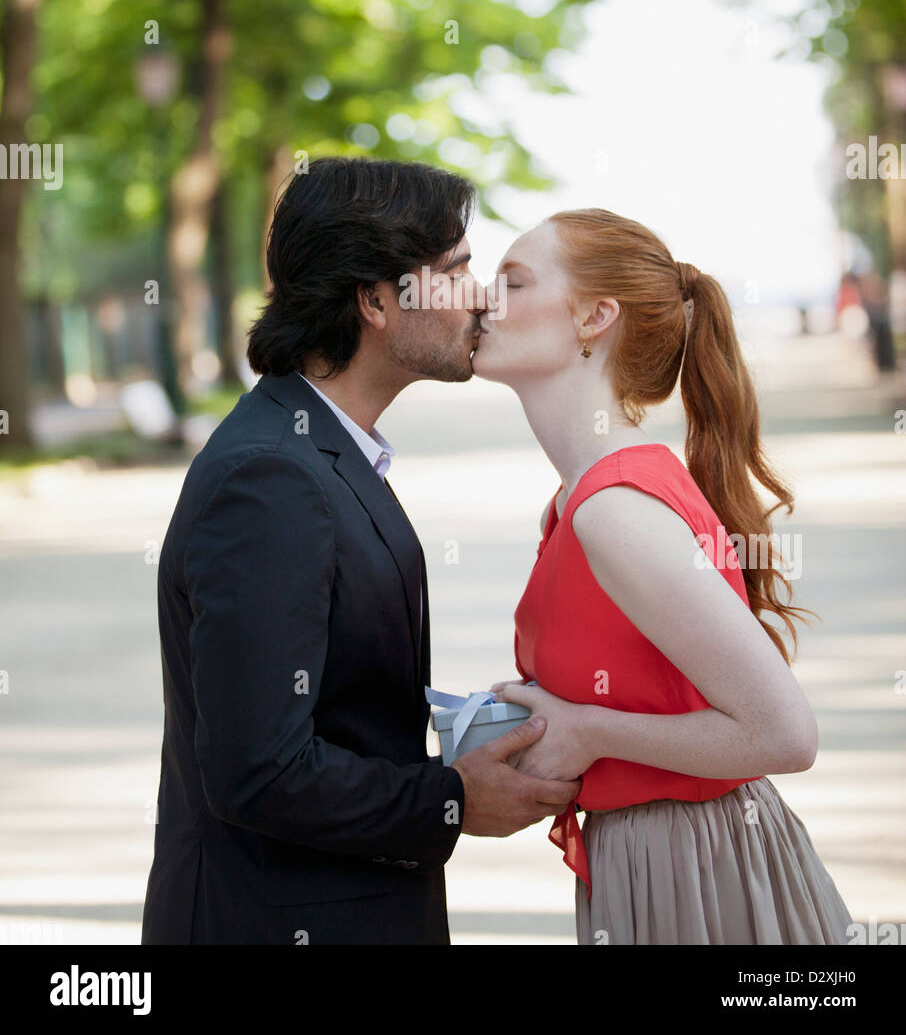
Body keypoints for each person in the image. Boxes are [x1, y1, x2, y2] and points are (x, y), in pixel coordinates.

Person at [140, 157, 579, 946]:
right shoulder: (270, 477)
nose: (481, 295)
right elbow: (258, 769)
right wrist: (450, 799)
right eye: (455, 270)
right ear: (375, 300)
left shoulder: (321, 449)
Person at [473, 208, 853, 945]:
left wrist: (588, 731)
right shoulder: (584, 498)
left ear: (594, 317)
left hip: (697, 870)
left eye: (513, 282)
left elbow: (785, 735)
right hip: (661, 861)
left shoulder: (613, 508)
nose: (484, 299)